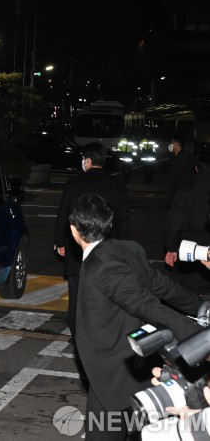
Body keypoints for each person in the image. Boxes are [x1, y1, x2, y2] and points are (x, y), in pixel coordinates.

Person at [70, 193, 203, 440]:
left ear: (74, 230)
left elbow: (145, 304)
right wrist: (198, 306)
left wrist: (196, 334)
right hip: (140, 363)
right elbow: (163, 285)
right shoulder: (129, 248)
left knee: (108, 431)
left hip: (114, 370)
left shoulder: (102, 267)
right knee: (145, 429)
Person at [54, 142, 129, 337]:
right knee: (106, 295)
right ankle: (102, 334)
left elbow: (63, 215)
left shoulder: (74, 184)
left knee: (77, 295)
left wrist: (60, 241)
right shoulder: (117, 185)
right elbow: (123, 221)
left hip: (77, 248)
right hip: (108, 250)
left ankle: (78, 335)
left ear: (87, 161)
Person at [164, 155, 210, 294]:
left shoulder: (187, 191)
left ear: (196, 169)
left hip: (189, 247)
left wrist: (171, 248)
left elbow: (175, 221)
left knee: (188, 291)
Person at [166, 133, 195, 207]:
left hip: (179, 196)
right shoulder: (175, 157)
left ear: (176, 144)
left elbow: (186, 177)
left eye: (171, 143)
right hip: (175, 193)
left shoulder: (184, 158)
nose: (170, 145)